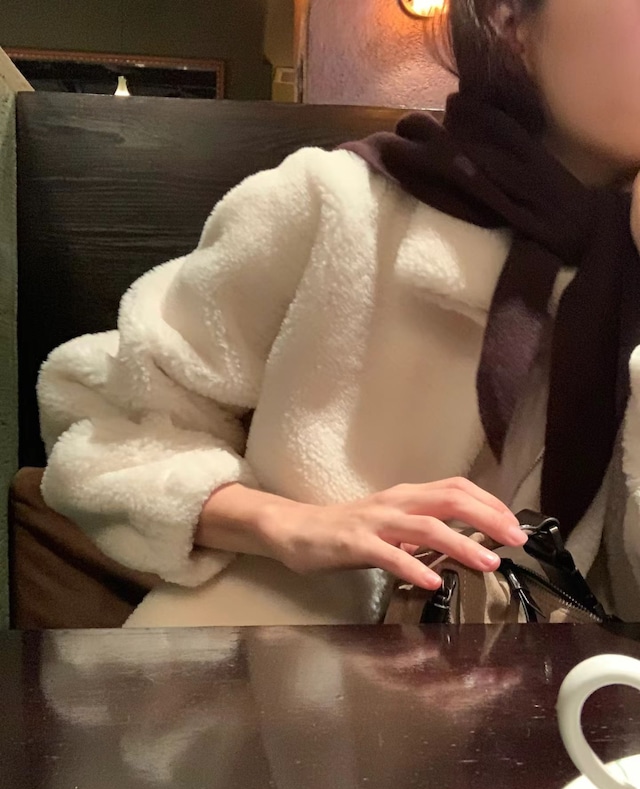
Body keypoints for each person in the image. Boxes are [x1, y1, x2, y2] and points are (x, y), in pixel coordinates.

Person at [37, 0, 640, 627]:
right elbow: (99, 428)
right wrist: (290, 524)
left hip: (560, 681)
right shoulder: (337, 206)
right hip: (269, 662)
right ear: (508, 19)